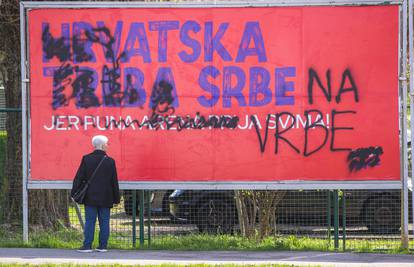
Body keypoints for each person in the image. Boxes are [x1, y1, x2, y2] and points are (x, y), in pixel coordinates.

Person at [71, 135, 120, 253]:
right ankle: (103, 246)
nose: (108, 146)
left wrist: (74, 192)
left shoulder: (86, 159)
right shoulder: (110, 161)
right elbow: (114, 181)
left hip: (90, 196)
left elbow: (79, 177)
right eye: (107, 144)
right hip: (106, 197)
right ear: (103, 145)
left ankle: (87, 246)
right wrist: (116, 198)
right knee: (104, 222)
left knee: (90, 221)